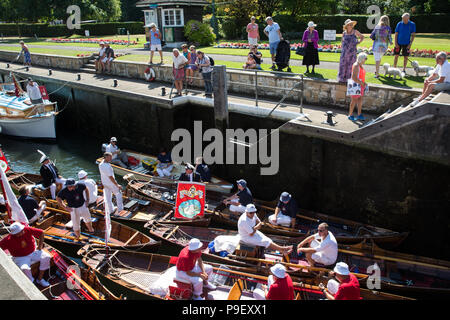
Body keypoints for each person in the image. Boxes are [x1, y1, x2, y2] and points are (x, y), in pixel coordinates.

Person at [0, 222, 51, 287]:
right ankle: (31, 283)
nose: (23, 231)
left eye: (22, 230)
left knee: (46, 257)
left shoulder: (26, 229)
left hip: (33, 252)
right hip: (20, 257)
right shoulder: (8, 240)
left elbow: (41, 233)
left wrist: (40, 245)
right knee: (25, 268)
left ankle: (40, 279)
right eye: (20, 231)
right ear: (15, 234)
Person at [348, 52, 368, 121]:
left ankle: (359, 114)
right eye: (365, 59)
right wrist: (362, 83)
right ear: (362, 59)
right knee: (353, 101)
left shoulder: (360, 65)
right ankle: (350, 115)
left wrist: (364, 83)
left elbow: (360, 76)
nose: (366, 60)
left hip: (360, 85)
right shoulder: (356, 65)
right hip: (355, 85)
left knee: (360, 100)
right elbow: (354, 78)